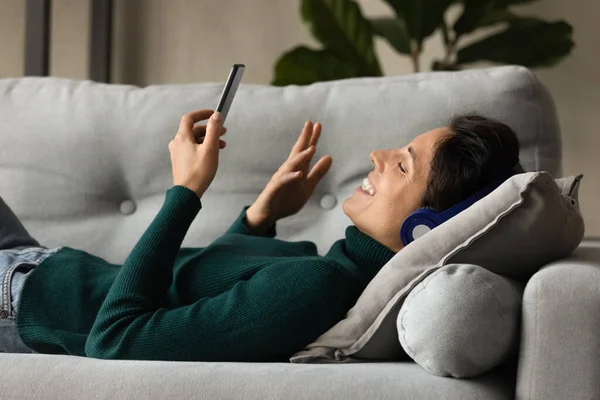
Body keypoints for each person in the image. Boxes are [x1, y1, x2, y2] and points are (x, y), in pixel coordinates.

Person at [0, 110, 521, 361]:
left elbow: (113, 341)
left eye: (403, 166)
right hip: (40, 266)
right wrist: (259, 218)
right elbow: (193, 282)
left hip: (23, 298)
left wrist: (186, 189)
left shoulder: (317, 287)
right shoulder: (331, 270)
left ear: (425, 228)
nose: (378, 157)